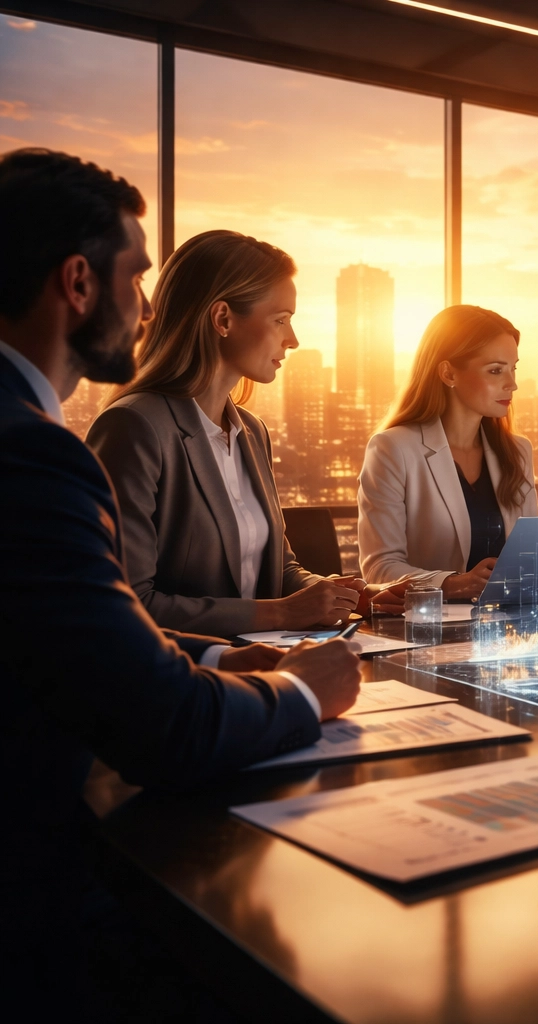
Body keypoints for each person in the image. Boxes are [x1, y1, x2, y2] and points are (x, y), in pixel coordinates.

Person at [0, 148, 362, 1016]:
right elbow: (158, 713)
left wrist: (208, 656)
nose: (149, 305)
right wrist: (300, 692)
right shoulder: (35, 453)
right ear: (79, 282)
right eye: (138, 276)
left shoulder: (235, 433)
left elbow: (89, 632)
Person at [87, 230, 368, 638]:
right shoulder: (135, 427)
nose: (293, 340)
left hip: (268, 665)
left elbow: (278, 570)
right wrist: (283, 615)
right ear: (222, 319)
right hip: (184, 682)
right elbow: (127, 604)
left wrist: (339, 594)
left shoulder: (252, 433)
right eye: (281, 320)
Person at [358, 305, 538, 606]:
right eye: (496, 370)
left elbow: (528, 555)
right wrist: (454, 584)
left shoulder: (518, 452)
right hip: (426, 631)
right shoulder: (393, 449)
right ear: (448, 372)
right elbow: (379, 569)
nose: (513, 384)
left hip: (507, 628)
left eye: (513, 368)